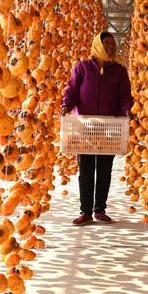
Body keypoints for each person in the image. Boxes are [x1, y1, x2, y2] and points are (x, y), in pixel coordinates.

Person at [61, 31, 133, 225]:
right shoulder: (82, 68)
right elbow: (73, 90)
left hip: (109, 126)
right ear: (98, 46)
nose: (110, 47)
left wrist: (128, 109)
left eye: (112, 44)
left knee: (104, 168)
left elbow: (125, 95)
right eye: (106, 44)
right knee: (85, 169)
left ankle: (99, 209)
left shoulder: (119, 71)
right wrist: (66, 105)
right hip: (85, 126)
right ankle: (85, 211)